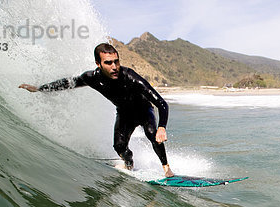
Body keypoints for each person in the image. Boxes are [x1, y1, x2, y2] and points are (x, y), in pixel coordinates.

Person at [19, 43, 174, 176]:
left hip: (143, 110)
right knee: (119, 146)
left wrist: (162, 127)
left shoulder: (130, 77)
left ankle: (167, 169)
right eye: (108, 63)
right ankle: (129, 164)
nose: (114, 67)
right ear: (98, 64)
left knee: (153, 135)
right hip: (125, 114)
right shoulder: (91, 78)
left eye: (116, 61)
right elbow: (67, 83)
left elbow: (161, 103)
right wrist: (40, 89)